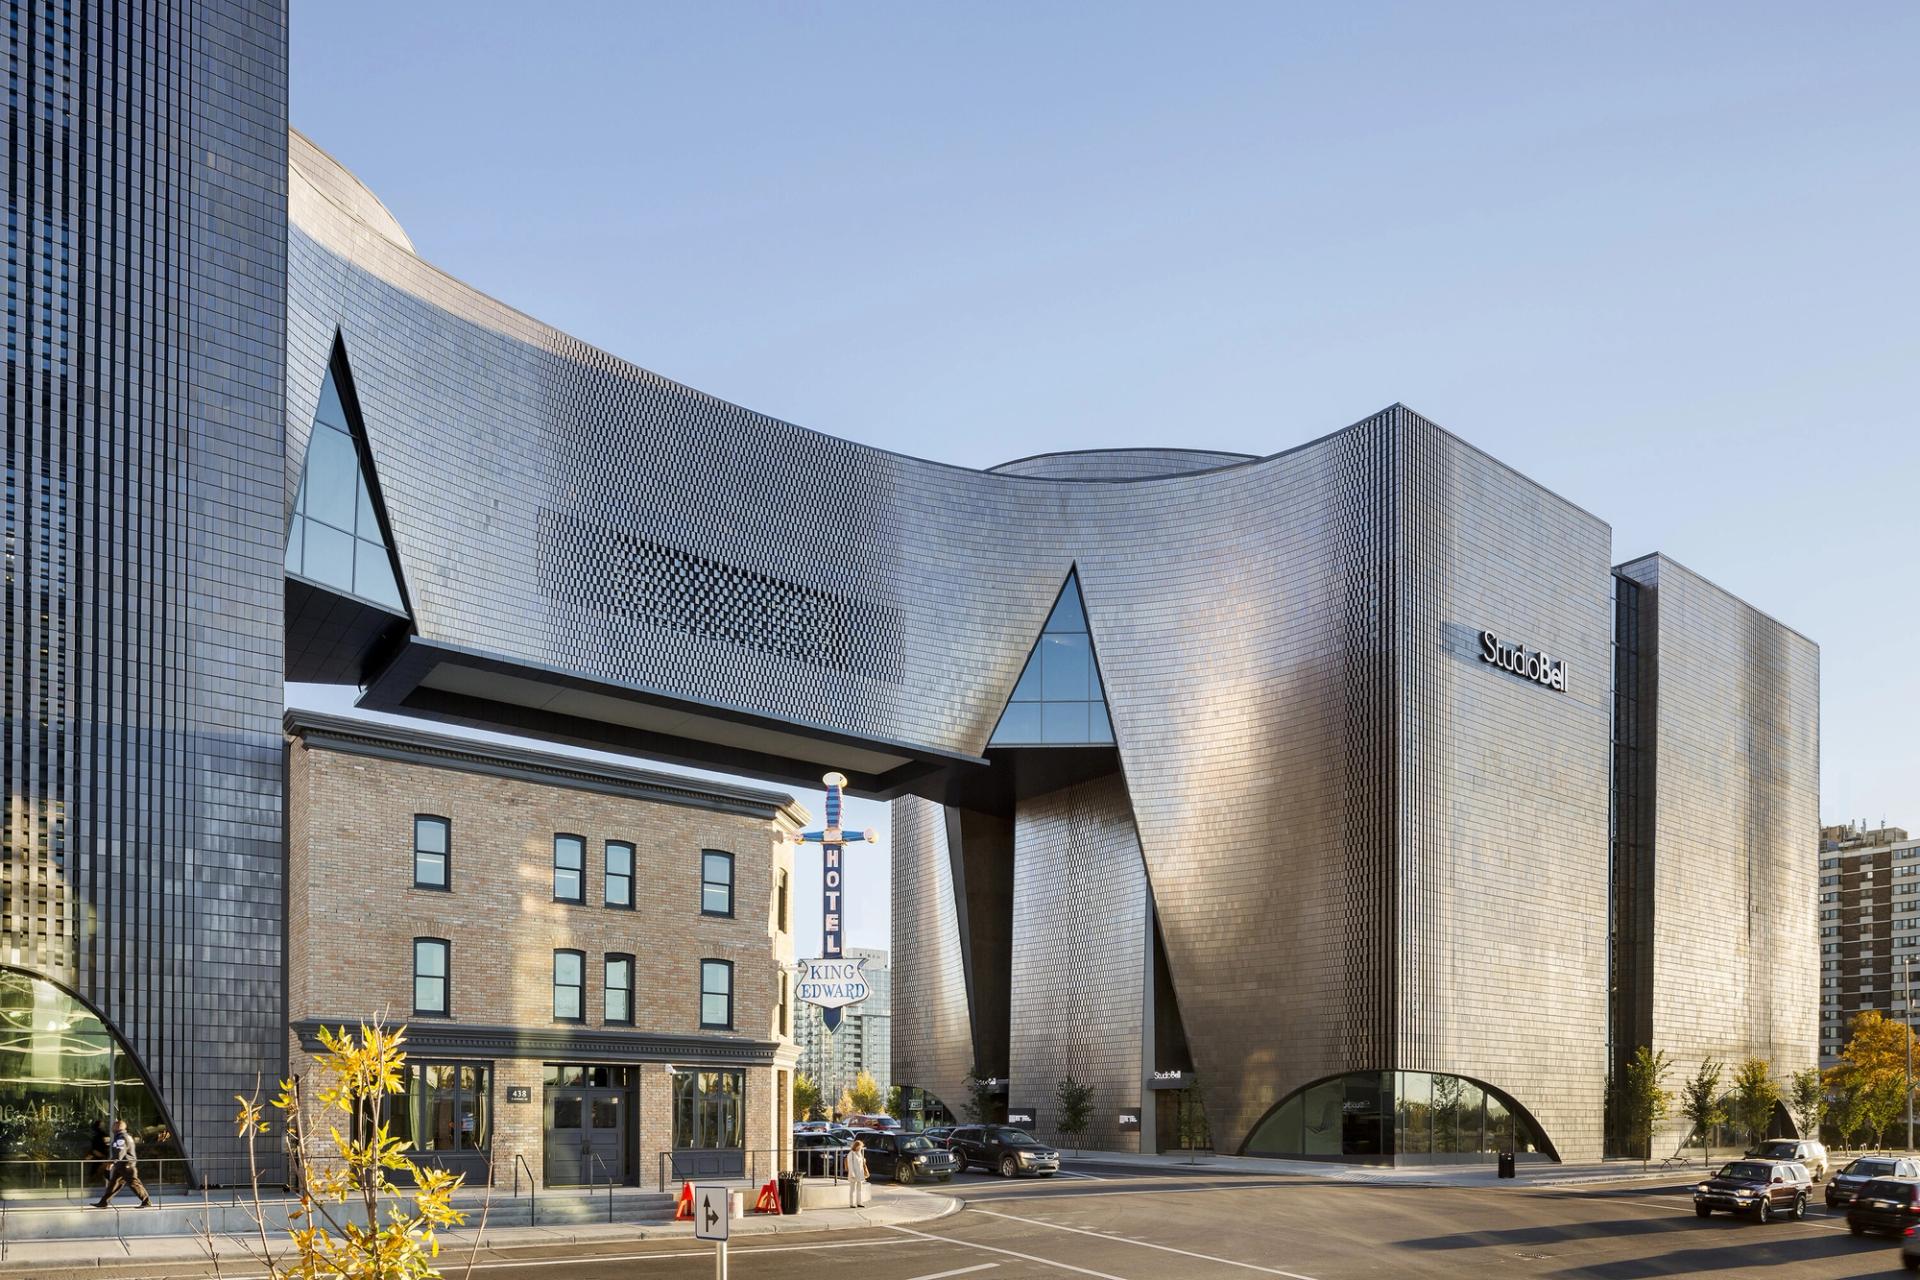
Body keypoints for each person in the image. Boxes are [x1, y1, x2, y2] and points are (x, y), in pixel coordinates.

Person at [92, 1119, 152, 1209]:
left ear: (118, 1127)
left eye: (113, 1125)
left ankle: (146, 1201)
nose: (112, 1127)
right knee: (114, 1184)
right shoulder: (123, 1136)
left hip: (126, 1165)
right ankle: (103, 1202)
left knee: (133, 1183)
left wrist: (111, 1163)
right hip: (122, 1165)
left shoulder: (122, 1137)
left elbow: (120, 1151)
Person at [847, 1136, 868, 1208]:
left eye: (861, 1147)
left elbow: (862, 1163)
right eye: (860, 1146)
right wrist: (852, 1174)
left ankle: (859, 1202)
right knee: (852, 1189)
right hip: (854, 1174)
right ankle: (852, 1203)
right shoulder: (851, 1154)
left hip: (860, 1174)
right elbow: (850, 1165)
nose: (861, 1148)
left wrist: (864, 1160)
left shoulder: (859, 1153)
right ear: (856, 1146)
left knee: (860, 1189)